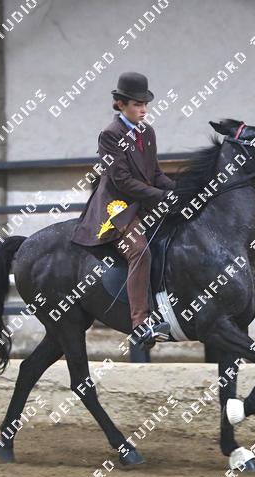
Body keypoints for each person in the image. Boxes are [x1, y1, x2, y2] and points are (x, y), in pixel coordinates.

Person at [71, 72, 176, 349]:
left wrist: (179, 190)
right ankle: (140, 324)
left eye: (145, 104)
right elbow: (122, 180)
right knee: (139, 251)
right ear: (120, 104)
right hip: (118, 209)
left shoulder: (147, 132)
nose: (143, 109)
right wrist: (161, 195)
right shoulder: (110, 135)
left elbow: (155, 173)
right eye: (137, 104)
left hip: (145, 203)